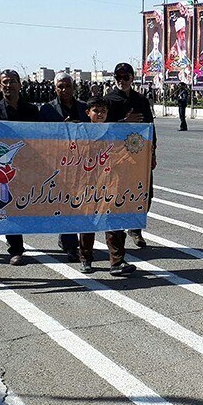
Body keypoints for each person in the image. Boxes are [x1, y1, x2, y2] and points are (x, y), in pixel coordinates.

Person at [73, 96, 136, 276]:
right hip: (87, 184)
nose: (100, 114)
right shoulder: (80, 132)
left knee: (113, 222)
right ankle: (85, 259)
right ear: (88, 113)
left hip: (110, 183)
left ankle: (117, 262)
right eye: (96, 111)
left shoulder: (114, 132)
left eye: (103, 111)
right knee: (88, 223)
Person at [104, 62, 157, 254]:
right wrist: (124, 122)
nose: (122, 81)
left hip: (139, 155)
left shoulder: (140, 100)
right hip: (117, 156)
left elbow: (150, 127)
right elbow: (102, 127)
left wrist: (153, 151)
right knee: (118, 194)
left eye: (125, 77)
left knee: (144, 193)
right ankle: (117, 237)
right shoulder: (109, 100)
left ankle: (135, 228)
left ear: (132, 78)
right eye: (118, 77)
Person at [0, 69, 39, 267]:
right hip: (2, 167)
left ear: (20, 84)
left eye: (12, 81)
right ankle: (15, 249)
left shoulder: (31, 111)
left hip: (26, 164)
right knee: (3, 205)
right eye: (5, 82)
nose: (8, 85)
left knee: (20, 206)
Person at [39, 72, 89, 262]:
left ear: (73, 87)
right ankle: (70, 245)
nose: (64, 90)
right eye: (60, 86)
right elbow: (40, 135)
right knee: (66, 204)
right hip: (58, 164)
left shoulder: (83, 108)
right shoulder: (47, 110)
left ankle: (77, 242)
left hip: (82, 163)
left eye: (68, 86)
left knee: (81, 203)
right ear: (55, 88)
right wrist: (62, 129)